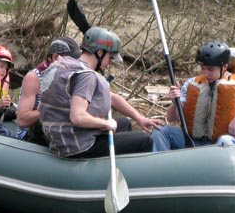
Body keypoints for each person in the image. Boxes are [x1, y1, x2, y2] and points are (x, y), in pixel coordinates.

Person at [38, 27, 160, 158]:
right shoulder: (87, 76)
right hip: (78, 146)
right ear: (100, 53)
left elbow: (113, 98)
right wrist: (106, 123)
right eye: (110, 57)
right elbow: (77, 117)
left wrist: (140, 118)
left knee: (124, 123)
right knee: (144, 140)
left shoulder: (66, 65)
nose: (109, 63)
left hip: (61, 137)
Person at [151, 40, 235, 151]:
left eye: (211, 69)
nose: (206, 74)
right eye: (203, 68)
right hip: (193, 141)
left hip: (222, 143)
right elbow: (172, 118)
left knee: (225, 141)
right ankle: (161, 170)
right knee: (161, 131)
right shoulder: (192, 83)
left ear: (225, 67)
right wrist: (174, 103)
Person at [15, 36, 81, 143]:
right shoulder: (34, 77)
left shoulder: (71, 77)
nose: (76, 64)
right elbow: (22, 120)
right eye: (72, 60)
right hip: (30, 137)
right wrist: (50, 109)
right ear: (55, 57)